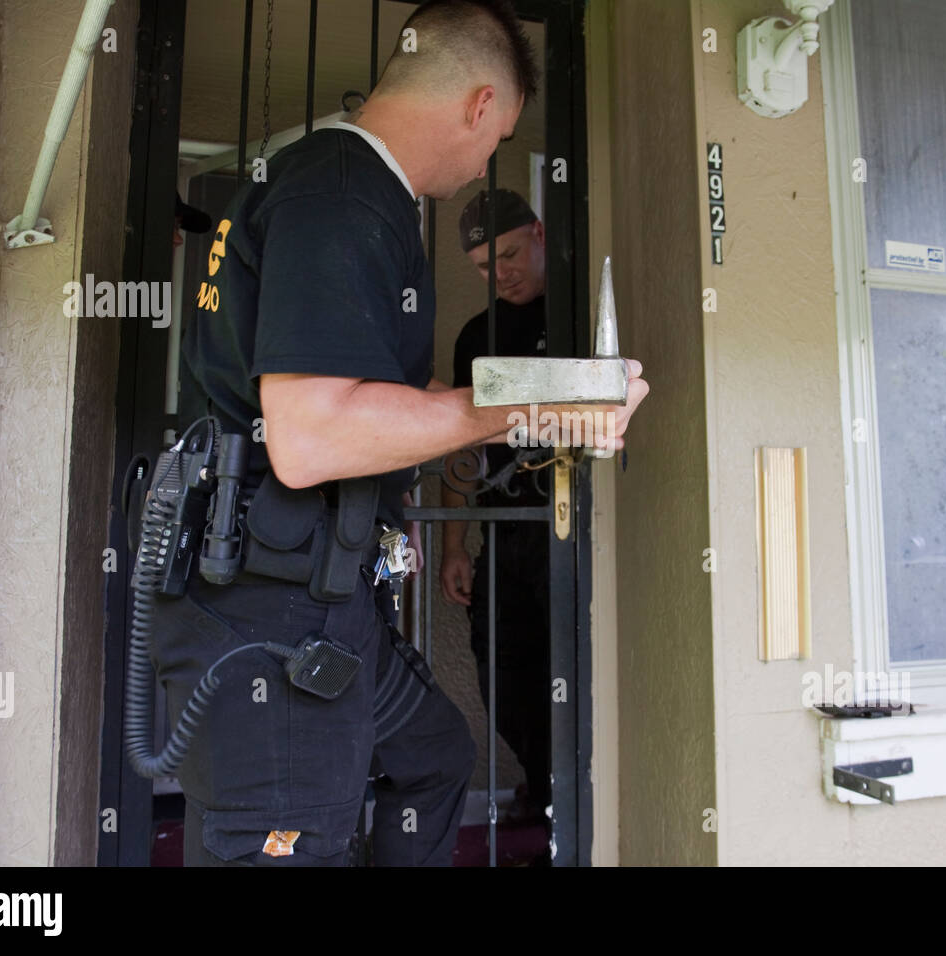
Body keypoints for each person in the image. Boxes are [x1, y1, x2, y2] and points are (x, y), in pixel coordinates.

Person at [153, 0, 648, 867]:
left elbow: (381, 398)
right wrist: (519, 410)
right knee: (288, 842)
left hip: (318, 599)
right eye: (499, 143)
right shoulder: (342, 192)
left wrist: (555, 397)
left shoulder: (346, 189)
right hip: (268, 614)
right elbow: (312, 437)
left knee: (433, 759)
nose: (487, 159)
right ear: (481, 106)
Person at [441, 188, 551, 826]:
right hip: (503, 535)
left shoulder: (571, 312)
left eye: (509, 254)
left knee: (565, 674)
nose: (500, 273)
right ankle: (543, 791)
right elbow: (461, 447)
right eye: (485, 265)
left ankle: (557, 807)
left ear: (538, 233)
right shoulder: (476, 336)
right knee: (504, 683)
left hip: (568, 528)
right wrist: (455, 545)